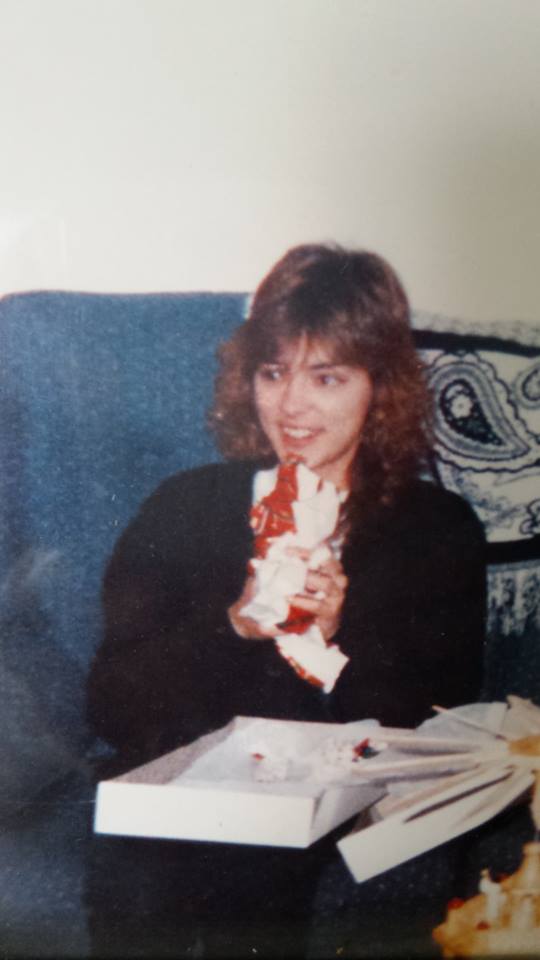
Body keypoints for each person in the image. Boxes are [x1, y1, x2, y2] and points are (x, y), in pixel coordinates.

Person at [85, 244, 486, 958]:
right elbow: (111, 704)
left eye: (326, 377)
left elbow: (438, 724)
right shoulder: (184, 508)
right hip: (187, 805)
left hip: (337, 805)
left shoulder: (436, 529)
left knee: (273, 888)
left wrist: (334, 643)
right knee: (142, 880)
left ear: (379, 386)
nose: (292, 406)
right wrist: (234, 627)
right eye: (273, 373)